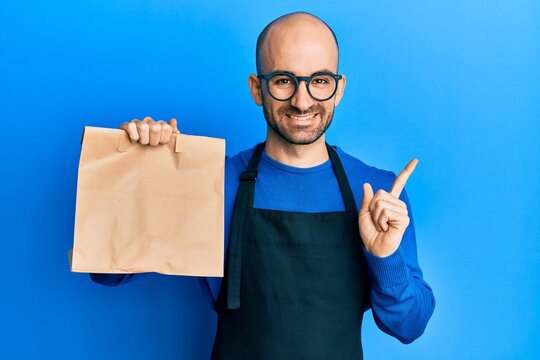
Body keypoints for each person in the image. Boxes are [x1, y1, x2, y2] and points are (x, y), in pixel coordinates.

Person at [90, 11, 435, 359]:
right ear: (257, 88)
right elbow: (105, 273)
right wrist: (145, 170)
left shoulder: (378, 192)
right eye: (284, 80)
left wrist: (385, 255)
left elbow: (409, 327)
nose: (302, 101)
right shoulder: (211, 182)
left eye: (319, 80)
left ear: (338, 88)